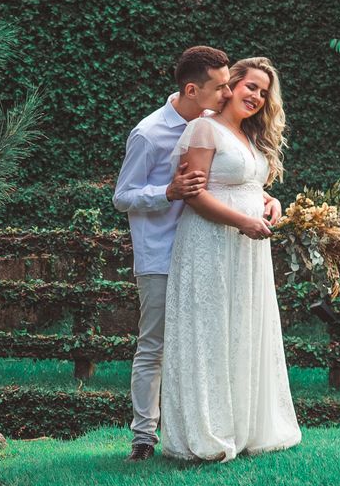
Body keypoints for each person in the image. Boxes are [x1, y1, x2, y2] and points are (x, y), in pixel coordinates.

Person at [112, 48, 279, 461]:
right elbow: (122, 196)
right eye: (221, 86)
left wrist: (264, 198)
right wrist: (167, 192)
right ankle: (144, 436)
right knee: (155, 344)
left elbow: (227, 179)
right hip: (160, 251)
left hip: (207, 248)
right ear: (193, 89)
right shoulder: (149, 134)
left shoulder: (211, 126)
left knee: (205, 340)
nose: (227, 92)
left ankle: (200, 423)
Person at [156, 56, 302, 463]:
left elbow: (248, 184)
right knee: (211, 331)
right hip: (210, 244)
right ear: (231, 85)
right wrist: (244, 222)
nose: (255, 96)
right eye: (249, 86)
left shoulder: (250, 139)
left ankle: (246, 427)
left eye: (263, 91)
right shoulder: (204, 128)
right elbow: (195, 193)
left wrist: (270, 202)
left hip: (247, 248)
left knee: (243, 329)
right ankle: (207, 432)